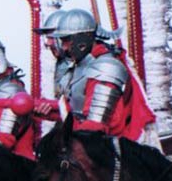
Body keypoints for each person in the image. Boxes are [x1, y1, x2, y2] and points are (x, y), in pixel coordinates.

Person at [48, 8, 155, 142]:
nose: (63, 47)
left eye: (65, 41)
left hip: (114, 148)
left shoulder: (106, 68)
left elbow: (95, 128)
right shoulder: (84, 65)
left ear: (80, 40)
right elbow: (76, 110)